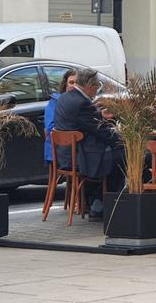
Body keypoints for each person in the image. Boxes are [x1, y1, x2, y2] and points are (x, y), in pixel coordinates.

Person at [53, 68, 125, 220]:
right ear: (91, 87)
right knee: (122, 157)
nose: (96, 92)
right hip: (80, 156)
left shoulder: (65, 98)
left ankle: (96, 200)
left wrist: (99, 115)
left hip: (65, 154)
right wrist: (124, 139)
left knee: (118, 154)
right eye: (96, 88)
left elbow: (82, 122)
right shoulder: (82, 103)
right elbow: (102, 132)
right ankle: (100, 203)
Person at [43, 69, 77, 163]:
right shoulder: (55, 102)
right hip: (59, 153)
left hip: (78, 151)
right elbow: (50, 128)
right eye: (71, 82)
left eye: (77, 83)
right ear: (65, 84)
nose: (74, 86)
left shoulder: (86, 103)